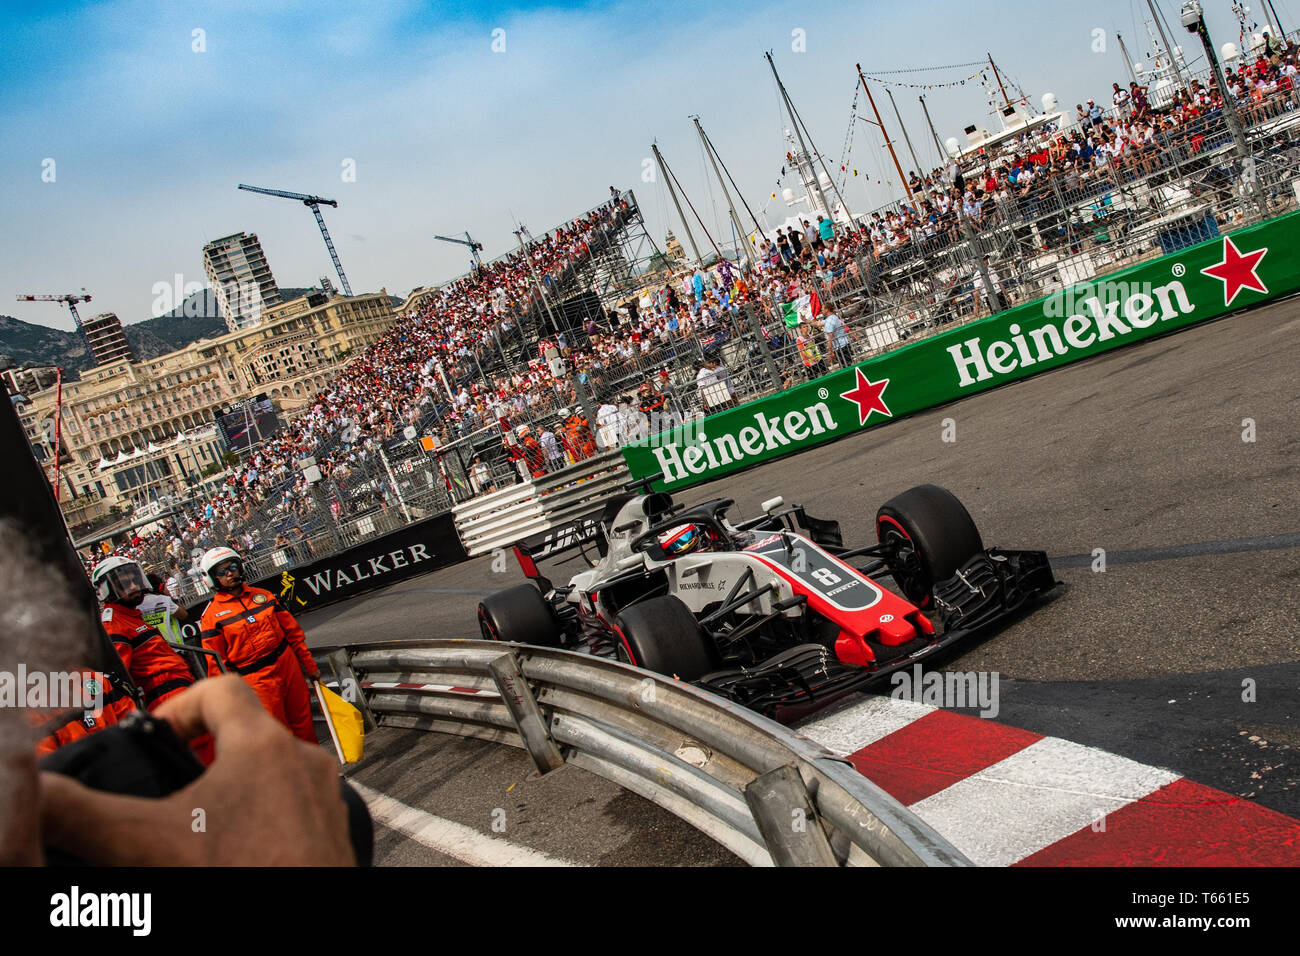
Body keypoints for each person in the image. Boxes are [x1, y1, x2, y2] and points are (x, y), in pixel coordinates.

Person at [197, 547, 321, 744]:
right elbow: (217, 664)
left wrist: (309, 665)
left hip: (287, 664)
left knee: (304, 723)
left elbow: (293, 633)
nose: (230, 573)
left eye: (233, 566)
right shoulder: (211, 617)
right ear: (212, 578)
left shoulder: (264, 595)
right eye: (222, 571)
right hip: (255, 680)